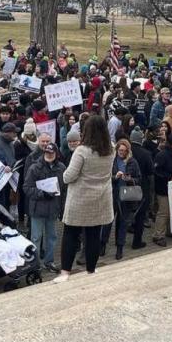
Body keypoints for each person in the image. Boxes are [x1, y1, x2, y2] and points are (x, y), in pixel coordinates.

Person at [54, 115, 114, 283]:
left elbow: (68, 177)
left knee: (71, 235)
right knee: (94, 235)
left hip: (80, 198)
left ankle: (65, 272)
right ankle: (91, 269)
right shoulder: (111, 149)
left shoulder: (82, 151)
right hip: (101, 197)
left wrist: (64, 174)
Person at [23, 141, 66, 273]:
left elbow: (64, 189)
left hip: (53, 208)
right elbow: (26, 188)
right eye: (47, 152)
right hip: (38, 208)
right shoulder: (35, 168)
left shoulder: (61, 168)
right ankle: (35, 264)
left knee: (52, 236)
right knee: (36, 237)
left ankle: (49, 261)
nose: (49, 154)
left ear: (56, 154)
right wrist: (42, 194)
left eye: (51, 153)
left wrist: (62, 208)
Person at [102, 139, 142, 260]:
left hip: (126, 195)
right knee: (108, 221)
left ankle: (120, 247)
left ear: (128, 151)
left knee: (123, 223)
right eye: (120, 150)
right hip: (113, 194)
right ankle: (102, 244)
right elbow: (105, 177)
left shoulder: (132, 162)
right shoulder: (112, 161)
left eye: (124, 151)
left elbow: (138, 178)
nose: (121, 153)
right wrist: (115, 177)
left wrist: (129, 179)